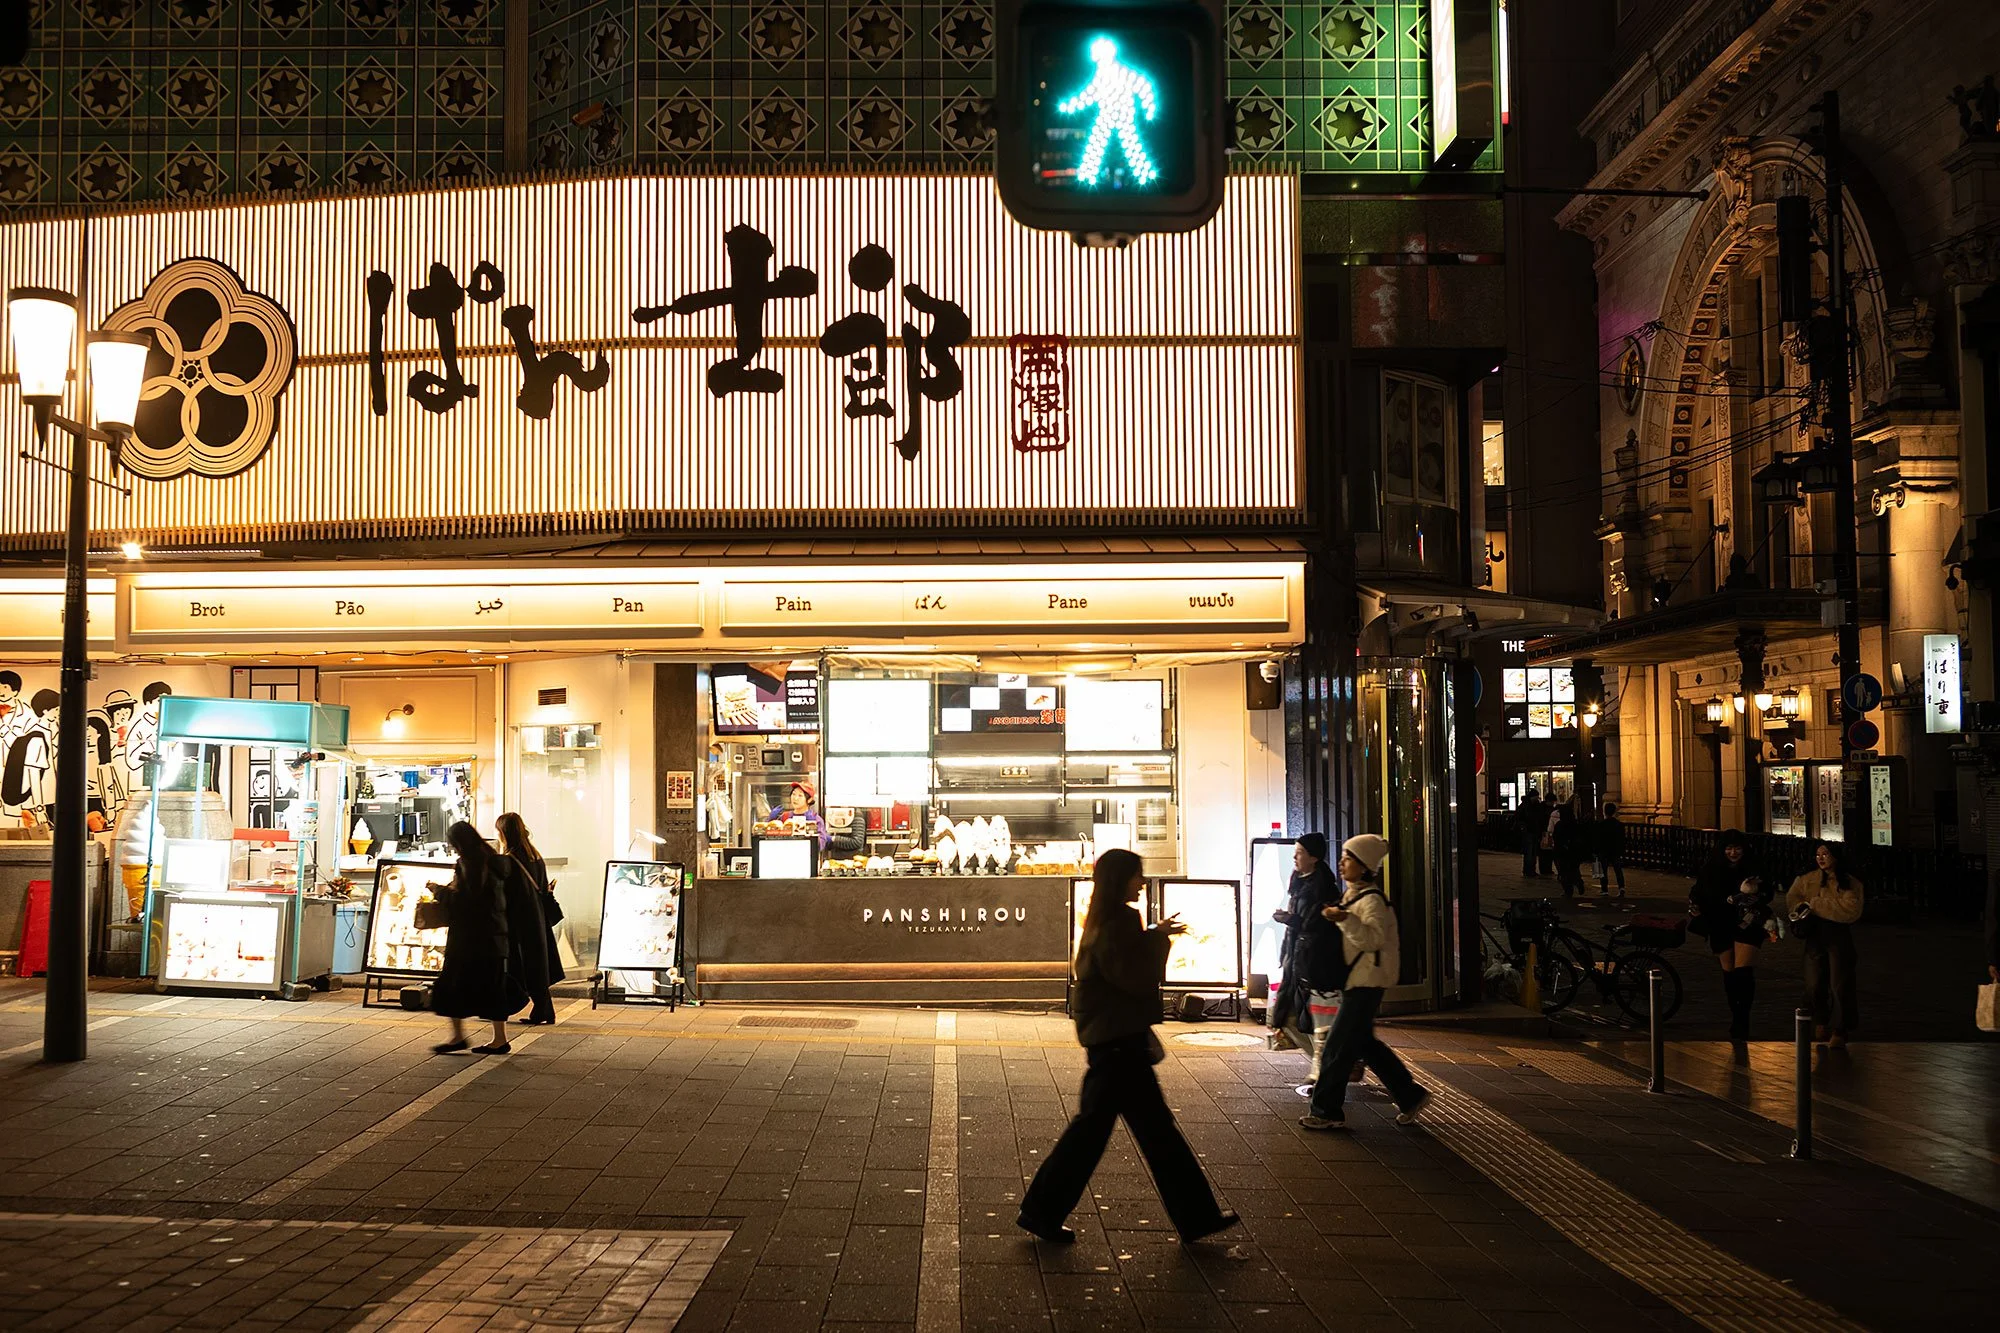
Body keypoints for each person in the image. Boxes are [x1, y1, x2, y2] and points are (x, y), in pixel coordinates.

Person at [1017, 849, 1239, 1246]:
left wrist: (1153, 933)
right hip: (1121, 1043)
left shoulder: (1103, 918)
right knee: (1145, 1134)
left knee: (1115, 1132)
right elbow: (1136, 976)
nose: (1142, 882)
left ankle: (1043, 1210)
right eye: (1137, 875)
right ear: (1121, 879)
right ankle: (1196, 1216)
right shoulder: (1122, 919)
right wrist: (1157, 939)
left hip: (1111, 1041)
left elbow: (1119, 965)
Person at [1300, 835, 1431, 1131]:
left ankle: (1326, 1110)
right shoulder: (1353, 895)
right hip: (1357, 980)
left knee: (1337, 1046)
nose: (1342, 863)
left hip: (1367, 981)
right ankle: (1410, 1096)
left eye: (1348, 859)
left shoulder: (1371, 900)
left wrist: (1344, 918)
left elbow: (1373, 939)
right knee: (1365, 1045)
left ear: (1364, 866)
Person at [433, 821, 520, 1055]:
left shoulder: (468, 864)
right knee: (492, 987)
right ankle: (499, 1038)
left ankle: (458, 1036)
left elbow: (466, 902)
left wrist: (439, 891)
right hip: (495, 937)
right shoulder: (497, 862)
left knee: (452, 985)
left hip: (468, 939)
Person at [1268, 832, 1340, 1088]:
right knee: (1294, 1015)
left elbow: (1315, 926)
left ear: (1314, 857)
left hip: (1313, 962)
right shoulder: (1300, 881)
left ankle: (1324, 1068)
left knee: (1309, 1019)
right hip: (1297, 957)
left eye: (1299, 853)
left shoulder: (1322, 888)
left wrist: (1288, 919)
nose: (1294, 858)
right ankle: (1322, 1066)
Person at [1786, 841, 1863, 1048]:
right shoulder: (1807, 879)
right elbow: (1793, 899)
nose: (1821, 858)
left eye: (1826, 854)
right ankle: (1821, 1019)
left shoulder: (1848, 881)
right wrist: (1804, 908)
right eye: (1818, 854)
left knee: (1839, 984)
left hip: (1838, 934)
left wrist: (1817, 904)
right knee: (1813, 982)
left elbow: (1851, 909)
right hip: (1814, 933)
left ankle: (1840, 1028)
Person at [1688, 831, 1763, 1039]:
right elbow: (1698, 891)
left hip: (1747, 923)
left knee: (1744, 972)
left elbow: (1767, 891)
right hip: (1719, 922)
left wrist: (1754, 894)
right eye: (1729, 848)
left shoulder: (1753, 866)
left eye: (1737, 848)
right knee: (1729, 973)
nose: (1733, 852)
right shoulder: (1711, 869)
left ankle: (1742, 1019)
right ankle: (1736, 1014)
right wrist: (1695, 904)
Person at [496, 811, 563, 1026]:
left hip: (520, 922)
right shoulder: (535, 856)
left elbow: (506, 894)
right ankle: (544, 1010)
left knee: (522, 966)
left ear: (505, 833)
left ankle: (511, 1007)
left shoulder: (509, 860)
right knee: (537, 965)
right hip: (538, 919)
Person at [767, 780, 829, 849]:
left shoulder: (816, 820)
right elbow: (770, 841)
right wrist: (770, 821)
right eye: (794, 794)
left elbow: (821, 845)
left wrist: (812, 832)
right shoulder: (785, 817)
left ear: (809, 800)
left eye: (800, 795)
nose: (795, 798)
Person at [1551, 799, 1586, 897]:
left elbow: (1556, 837)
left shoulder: (1560, 825)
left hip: (1562, 851)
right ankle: (1578, 881)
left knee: (1563, 871)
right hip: (1574, 851)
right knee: (1574, 869)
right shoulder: (1575, 824)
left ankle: (1568, 890)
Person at [1595, 801, 1627, 897]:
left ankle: (1604, 889)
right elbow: (1622, 839)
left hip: (1603, 850)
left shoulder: (1601, 825)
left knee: (1603, 870)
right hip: (1615, 849)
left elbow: (1597, 838)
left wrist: (1595, 850)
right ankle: (1621, 887)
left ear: (1604, 811)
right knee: (1618, 869)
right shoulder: (1619, 825)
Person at [1517, 789, 1545, 877]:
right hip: (1528, 831)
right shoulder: (1526, 806)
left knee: (1532, 852)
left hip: (1533, 831)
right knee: (1529, 852)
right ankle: (1528, 870)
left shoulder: (1533, 805)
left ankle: (1530, 870)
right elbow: (1520, 818)